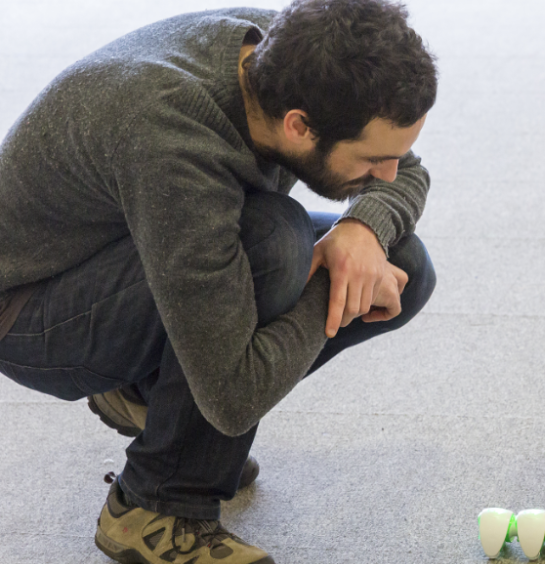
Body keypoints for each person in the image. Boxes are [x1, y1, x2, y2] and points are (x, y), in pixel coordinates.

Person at [0, 0, 437, 562]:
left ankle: (150, 394)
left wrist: (361, 229)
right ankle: (157, 504)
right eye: (373, 160)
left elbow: (412, 171)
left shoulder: (289, 58)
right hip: (31, 312)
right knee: (273, 244)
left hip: (134, 249)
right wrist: (330, 283)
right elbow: (233, 400)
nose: (390, 174)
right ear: (298, 126)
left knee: (402, 260)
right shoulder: (172, 138)